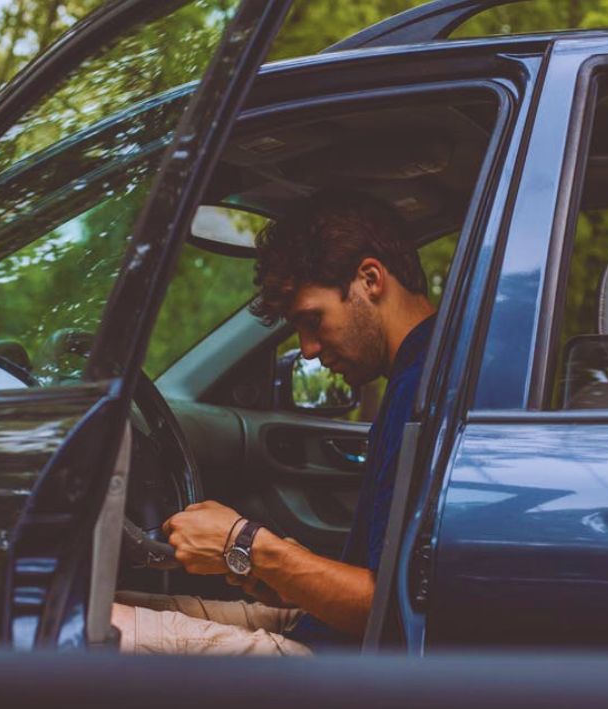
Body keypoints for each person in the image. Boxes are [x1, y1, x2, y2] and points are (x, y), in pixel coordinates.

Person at [111, 191, 437, 655]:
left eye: (312, 320)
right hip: (339, 633)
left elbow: (395, 614)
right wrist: (280, 574)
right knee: (103, 606)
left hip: (364, 670)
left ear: (370, 279)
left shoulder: (427, 389)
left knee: (85, 627)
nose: (305, 349)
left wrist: (245, 544)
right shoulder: (424, 372)